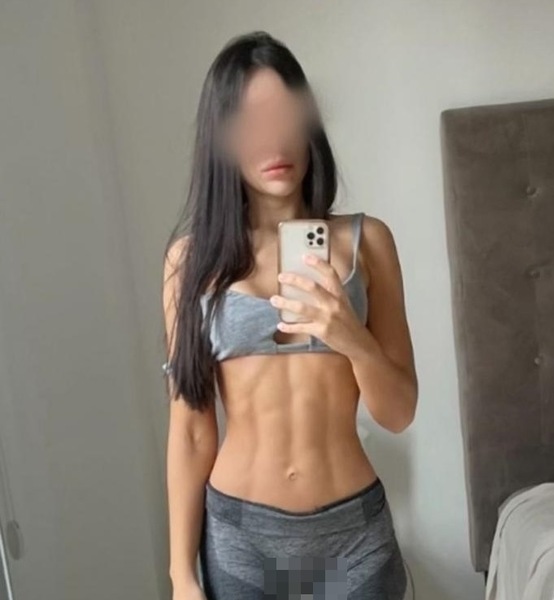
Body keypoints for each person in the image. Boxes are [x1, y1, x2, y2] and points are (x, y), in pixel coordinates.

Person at [162, 30, 418, 600]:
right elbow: (191, 430)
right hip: (241, 538)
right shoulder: (190, 262)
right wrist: (181, 575)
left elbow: (399, 412)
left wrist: (352, 338)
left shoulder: (367, 242)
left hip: (354, 537)